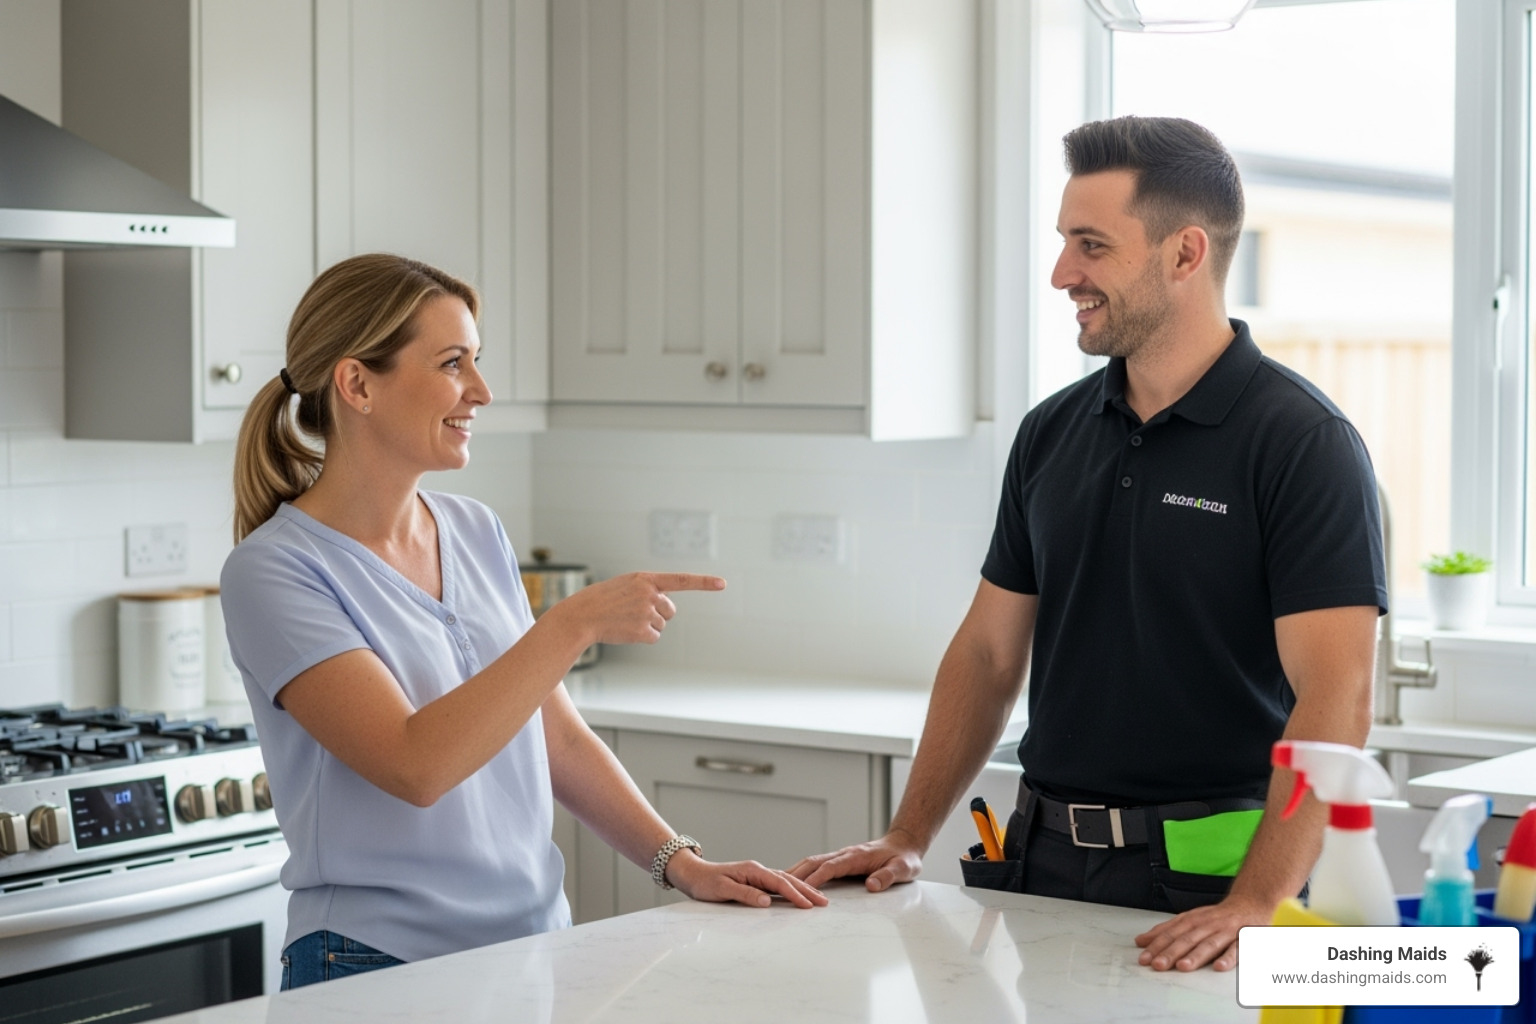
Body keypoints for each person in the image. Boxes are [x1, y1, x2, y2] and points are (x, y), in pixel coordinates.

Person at [789, 116, 1386, 973]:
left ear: (1185, 255)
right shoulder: (1051, 432)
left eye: (1091, 246)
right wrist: (907, 833)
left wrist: (1257, 902)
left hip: (1214, 877)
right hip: (1040, 857)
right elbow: (991, 654)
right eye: (1065, 241)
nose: (1063, 273)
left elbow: (1338, 697)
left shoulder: (1301, 442)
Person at [222, 253, 826, 991]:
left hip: (532, 946)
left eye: (476, 361)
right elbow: (415, 767)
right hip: (373, 963)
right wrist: (570, 625)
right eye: (452, 363)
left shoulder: (475, 531)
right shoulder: (275, 570)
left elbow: (555, 735)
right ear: (357, 384)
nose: (481, 390)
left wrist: (681, 863)